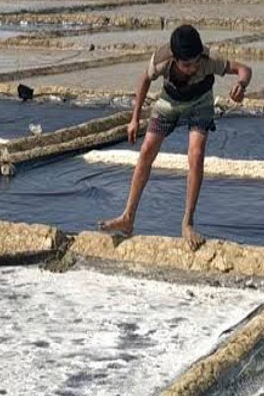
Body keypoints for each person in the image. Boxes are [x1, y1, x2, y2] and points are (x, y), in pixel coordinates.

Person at [98, 24, 252, 251]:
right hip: (169, 103)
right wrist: (135, 117)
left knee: (196, 155)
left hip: (200, 104)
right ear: (175, 60)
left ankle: (188, 222)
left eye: (196, 62)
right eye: (187, 65)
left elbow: (244, 69)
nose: (193, 68)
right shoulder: (161, 59)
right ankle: (128, 217)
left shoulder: (208, 59)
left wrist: (241, 84)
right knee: (147, 150)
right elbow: (144, 80)